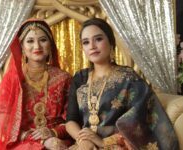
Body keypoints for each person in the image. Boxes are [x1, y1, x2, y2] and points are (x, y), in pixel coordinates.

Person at [66, 18, 179, 150]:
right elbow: (70, 120)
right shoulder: (80, 78)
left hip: (118, 145)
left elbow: (139, 121)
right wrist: (84, 140)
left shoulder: (129, 78)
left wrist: (103, 143)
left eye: (98, 39)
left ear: (111, 42)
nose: (92, 46)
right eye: (86, 42)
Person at [0, 18, 72, 150]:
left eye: (43, 40)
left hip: (58, 140)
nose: (37, 46)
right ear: (22, 46)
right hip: (23, 142)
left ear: (50, 44)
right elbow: (4, 126)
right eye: (30, 41)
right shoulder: (13, 80)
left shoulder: (64, 78)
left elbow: (72, 120)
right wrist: (41, 140)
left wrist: (53, 133)